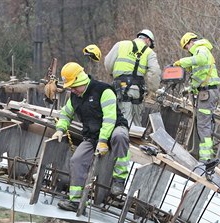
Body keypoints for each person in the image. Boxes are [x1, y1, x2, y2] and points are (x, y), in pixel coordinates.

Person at [52, 62, 130, 212]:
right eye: (70, 88)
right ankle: (75, 201)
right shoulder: (74, 97)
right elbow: (66, 114)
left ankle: (119, 180)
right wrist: (61, 129)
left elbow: (109, 119)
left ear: (80, 80)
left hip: (114, 128)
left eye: (74, 87)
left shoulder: (103, 91)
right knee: (77, 160)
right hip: (92, 136)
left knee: (120, 137)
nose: (72, 90)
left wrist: (103, 141)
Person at [173, 32, 220, 163]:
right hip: (205, 92)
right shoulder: (199, 51)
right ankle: (205, 156)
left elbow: (201, 60)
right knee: (203, 124)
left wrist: (182, 62)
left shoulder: (201, 49)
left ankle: (206, 158)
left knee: (203, 125)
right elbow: (200, 77)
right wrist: (190, 88)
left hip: (207, 93)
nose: (187, 51)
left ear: (190, 43)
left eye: (186, 47)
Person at [104, 29, 160, 127]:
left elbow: (108, 63)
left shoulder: (120, 45)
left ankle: (126, 140)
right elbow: (154, 72)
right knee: (137, 121)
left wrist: (113, 73)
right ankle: (136, 140)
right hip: (138, 90)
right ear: (147, 40)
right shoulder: (149, 52)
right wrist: (153, 90)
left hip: (121, 87)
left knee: (125, 120)